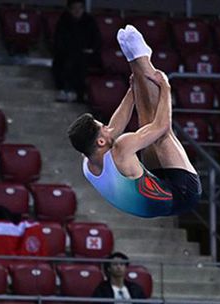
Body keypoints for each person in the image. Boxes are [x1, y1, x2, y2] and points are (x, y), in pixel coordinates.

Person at [67, 25, 201, 218]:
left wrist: (132, 91)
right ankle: (143, 60)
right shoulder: (120, 150)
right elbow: (162, 126)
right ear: (101, 142)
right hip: (183, 194)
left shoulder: (88, 159)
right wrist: (165, 87)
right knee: (160, 136)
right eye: (102, 127)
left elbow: (114, 128)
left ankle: (134, 60)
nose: (108, 128)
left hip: (154, 189)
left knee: (146, 128)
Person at [52, 0, 101, 102]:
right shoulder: (63, 20)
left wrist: (91, 49)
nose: (77, 11)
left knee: (82, 62)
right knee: (67, 62)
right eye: (74, 8)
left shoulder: (89, 20)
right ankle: (66, 90)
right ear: (70, 10)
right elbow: (59, 40)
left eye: (80, 8)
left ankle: (81, 94)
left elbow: (96, 39)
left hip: (86, 54)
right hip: (67, 54)